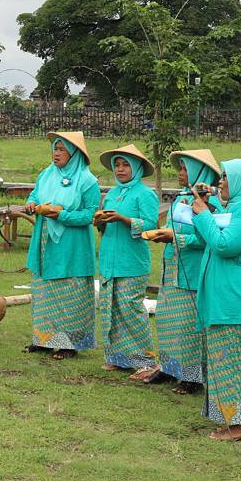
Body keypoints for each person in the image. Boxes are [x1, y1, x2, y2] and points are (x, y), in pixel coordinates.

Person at [191, 159, 241, 441]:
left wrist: (202, 215)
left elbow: (225, 246)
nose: (220, 182)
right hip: (227, 296)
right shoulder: (239, 207)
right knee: (233, 360)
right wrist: (208, 204)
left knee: (232, 362)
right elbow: (218, 233)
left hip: (236, 298)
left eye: (225, 177)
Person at [132, 149, 223, 392]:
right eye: (180, 168)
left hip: (192, 271)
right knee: (167, 320)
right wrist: (167, 235)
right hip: (172, 268)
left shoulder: (212, 204)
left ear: (200, 172)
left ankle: (193, 378)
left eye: (185, 169)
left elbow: (211, 238)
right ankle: (170, 368)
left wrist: (176, 237)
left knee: (188, 325)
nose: (181, 173)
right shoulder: (182, 198)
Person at [22, 131, 100, 360]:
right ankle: (44, 339)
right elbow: (34, 195)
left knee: (69, 291)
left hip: (71, 245)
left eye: (61, 149)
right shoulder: (47, 174)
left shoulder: (88, 181)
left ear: (74, 153)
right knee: (44, 291)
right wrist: (31, 205)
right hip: (45, 241)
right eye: (55, 149)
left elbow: (89, 216)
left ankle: (69, 343)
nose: (56, 154)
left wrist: (61, 215)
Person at [95, 144, 158, 373]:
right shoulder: (112, 193)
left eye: (125, 165)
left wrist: (124, 219)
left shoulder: (145, 194)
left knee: (130, 309)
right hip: (109, 260)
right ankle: (117, 357)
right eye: (117, 165)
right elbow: (106, 224)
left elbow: (151, 226)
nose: (120, 169)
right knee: (111, 308)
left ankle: (144, 360)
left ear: (137, 168)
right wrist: (100, 221)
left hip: (131, 262)